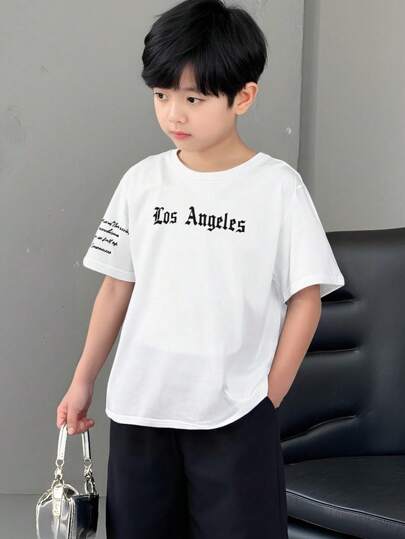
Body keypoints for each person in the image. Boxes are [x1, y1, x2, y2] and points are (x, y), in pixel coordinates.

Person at [56, 0, 345, 537]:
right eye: (161, 96)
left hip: (235, 413)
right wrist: (82, 381)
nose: (174, 115)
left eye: (193, 99)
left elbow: (306, 297)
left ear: (244, 97)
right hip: (141, 407)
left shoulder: (276, 187)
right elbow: (116, 287)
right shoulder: (141, 182)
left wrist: (269, 396)